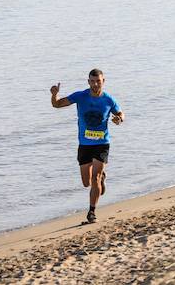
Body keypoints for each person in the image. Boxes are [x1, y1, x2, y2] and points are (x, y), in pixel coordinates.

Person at [50, 69, 124, 224]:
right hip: (84, 144)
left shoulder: (109, 99)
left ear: (103, 81)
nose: (95, 84)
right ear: (88, 82)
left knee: (95, 177)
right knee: (86, 182)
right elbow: (57, 105)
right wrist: (54, 94)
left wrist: (118, 119)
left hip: (102, 143)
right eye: (92, 81)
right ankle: (101, 178)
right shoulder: (80, 96)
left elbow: (120, 114)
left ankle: (92, 212)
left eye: (98, 81)